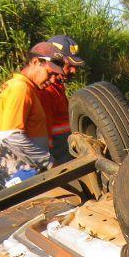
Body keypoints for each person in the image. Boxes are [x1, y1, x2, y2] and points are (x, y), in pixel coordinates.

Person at [0, 42, 65, 194]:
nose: (52, 80)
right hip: (15, 175)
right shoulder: (19, 88)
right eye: (50, 73)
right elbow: (9, 136)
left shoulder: (24, 88)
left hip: (14, 171)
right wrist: (48, 162)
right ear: (35, 62)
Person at [38, 35, 86, 165]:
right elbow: (43, 139)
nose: (74, 71)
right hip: (58, 164)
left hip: (67, 157)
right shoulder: (45, 92)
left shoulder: (57, 88)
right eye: (69, 65)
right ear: (54, 62)